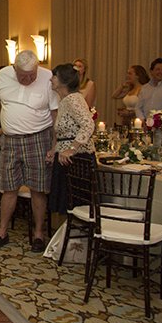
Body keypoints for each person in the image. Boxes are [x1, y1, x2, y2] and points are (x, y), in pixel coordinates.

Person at [0, 50, 59, 252]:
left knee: (38, 188)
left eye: (31, 75)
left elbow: (55, 114)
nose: (27, 79)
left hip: (38, 138)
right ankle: (2, 232)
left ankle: (38, 234)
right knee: (8, 188)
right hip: (10, 140)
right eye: (22, 76)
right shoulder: (3, 76)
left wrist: (55, 144)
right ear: (14, 69)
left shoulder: (47, 77)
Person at [46, 64, 95, 215]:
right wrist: (54, 150)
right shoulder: (66, 100)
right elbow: (65, 132)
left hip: (76, 160)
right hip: (66, 159)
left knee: (75, 206)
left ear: (63, 80)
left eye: (54, 76)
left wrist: (71, 149)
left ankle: (74, 238)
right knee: (68, 207)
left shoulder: (73, 99)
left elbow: (88, 124)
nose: (51, 79)